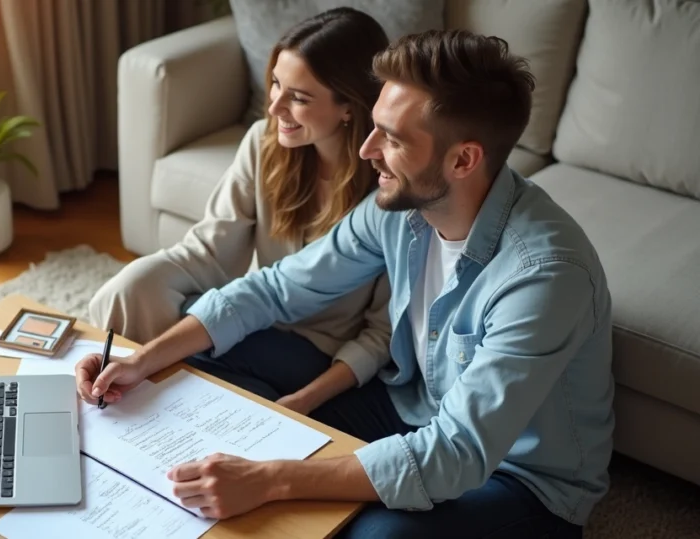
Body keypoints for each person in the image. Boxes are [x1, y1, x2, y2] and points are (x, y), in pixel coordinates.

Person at [76, 28, 615, 538]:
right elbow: (275, 290)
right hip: (407, 408)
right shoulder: (399, 210)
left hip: (518, 478)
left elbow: (455, 453)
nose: (366, 149)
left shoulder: (544, 278)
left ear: (463, 159)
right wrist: (143, 359)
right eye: (375, 124)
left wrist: (273, 480)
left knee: (368, 532)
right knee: (209, 384)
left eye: (392, 137)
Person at [89, 7, 393, 417]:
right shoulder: (265, 145)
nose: (274, 107)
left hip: (320, 351)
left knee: (189, 351)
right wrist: (136, 285)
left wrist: (307, 400)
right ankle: (101, 396)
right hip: (257, 316)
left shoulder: (386, 190)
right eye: (274, 85)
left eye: (298, 98)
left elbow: (380, 335)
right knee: (134, 292)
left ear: (349, 107)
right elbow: (211, 250)